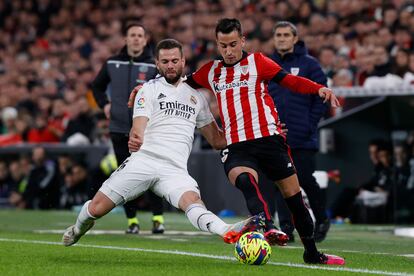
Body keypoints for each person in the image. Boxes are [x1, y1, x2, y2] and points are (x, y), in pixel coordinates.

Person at [62, 39, 262, 247]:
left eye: (175, 60)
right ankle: (78, 229)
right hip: (144, 161)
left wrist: (254, 132)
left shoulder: (197, 97)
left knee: (193, 202)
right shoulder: (147, 90)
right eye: (165, 61)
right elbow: (139, 123)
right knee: (96, 209)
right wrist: (136, 135)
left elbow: (217, 140)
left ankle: (226, 230)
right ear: (157, 63)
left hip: (174, 169)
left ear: (183, 61)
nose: (170, 65)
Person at [184, 18, 344, 265]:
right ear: (217, 44)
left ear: (243, 41)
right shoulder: (211, 71)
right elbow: (181, 86)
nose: (228, 51)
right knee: (245, 179)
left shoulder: (258, 62)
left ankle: (312, 252)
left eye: (233, 44)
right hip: (237, 144)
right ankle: (267, 224)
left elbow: (289, 81)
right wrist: (147, 89)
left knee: (294, 198)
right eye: (223, 45)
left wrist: (318, 89)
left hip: (269, 139)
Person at [91, 23, 165, 234]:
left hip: (146, 130)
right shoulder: (112, 62)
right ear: (126, 39)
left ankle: (157, 219)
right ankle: (132, 221)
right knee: (123, 176)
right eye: (132, 35)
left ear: (145, 39)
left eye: (139, 35)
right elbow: (97, 86)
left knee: (151, 174)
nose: (135, 39)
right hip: (118, 128)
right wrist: (104, 104)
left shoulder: (153, 64)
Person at [268, 21, 330, 243]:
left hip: (302, 136)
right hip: (276, 135)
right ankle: (286, 228)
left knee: (304, 179)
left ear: (295, 39)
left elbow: (322, 97)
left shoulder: (310, 65)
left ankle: (322, 219)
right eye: (278, 35)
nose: (282, 38)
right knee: (279, 181)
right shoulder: (268, 64)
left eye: (286, 35)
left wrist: (309, 124)